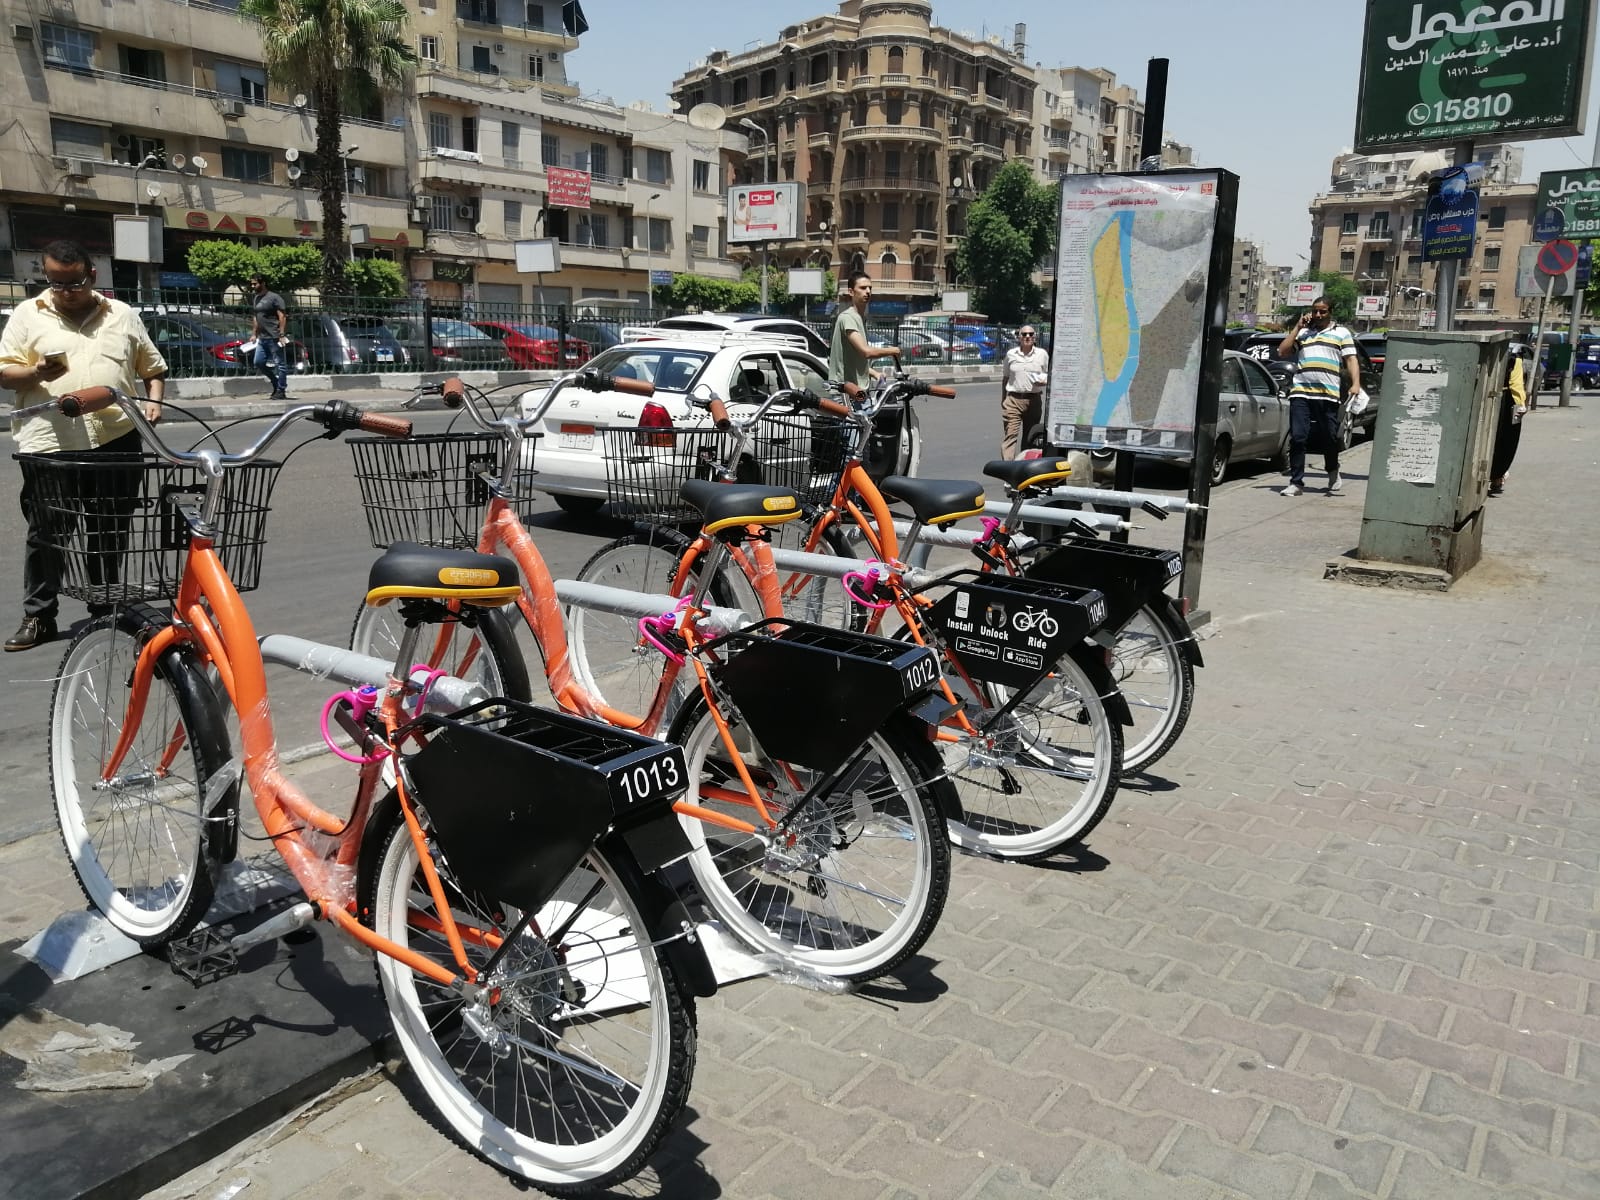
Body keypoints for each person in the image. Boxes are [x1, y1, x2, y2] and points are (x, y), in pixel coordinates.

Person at [0, 239, 167, 651]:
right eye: (56, 283)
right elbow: (5, 374)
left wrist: (154, 402)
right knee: (48, 531)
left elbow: (153, 368)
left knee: (110, 526)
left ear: (92, 275)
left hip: (116, 435)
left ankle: (105, 605)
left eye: (73, 283)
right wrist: (36, 372)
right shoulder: (27, 315)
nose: (65, 292)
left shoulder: (122, 315)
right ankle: (39, 616)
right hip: (50, 441)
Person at [1276, 301, 1365, 497]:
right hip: (1301, 392)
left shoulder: (1341, 333)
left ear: (1330, 312)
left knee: (1329, 437)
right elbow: (1282, 351)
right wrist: (1297, 327)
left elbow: (1351, 359)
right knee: (1298, 437)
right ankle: (1296, 482)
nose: (1318, 315)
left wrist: (1355, 384)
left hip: (1328, 394)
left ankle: (1332, 469)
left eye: (1322, 311)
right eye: (1315, 311)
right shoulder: (1304, 333)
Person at [828, 271, 899, 391]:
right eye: (862, 288)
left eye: (870, 288)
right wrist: (893, 350)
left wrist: (875, 374)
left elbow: (855, 362)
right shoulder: (848, 317)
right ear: (851, 292)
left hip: (857, 391)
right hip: (846, 393)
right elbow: (866, 352)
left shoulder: (860, 318)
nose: (868, 291)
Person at [999, 325, 1050, 459]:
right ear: (1019, 337)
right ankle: (1008, 468)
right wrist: (1003, 399)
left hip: (1033, 400)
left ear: (1035, 337)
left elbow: (1049, 375)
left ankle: (1023, 465)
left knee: (1029, 437)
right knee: (1010, 434)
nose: (1027, 337)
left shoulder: (1042, 355)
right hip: (1013, 400)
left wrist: (1044, 381)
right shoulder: (1011, 354)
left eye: (1030, 334)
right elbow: (1005, 378)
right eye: (1024, 334)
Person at [1489, 343, 1530, 496]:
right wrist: (1521, 404)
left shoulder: (1488, 355)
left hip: (1486, 399)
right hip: (1506, 404)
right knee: (1506, 441)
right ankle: (1497, 477)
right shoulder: (1514, 360)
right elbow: (1516, 385)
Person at [249, 273, 289, 401]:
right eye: (251, 284)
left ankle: (281, 390)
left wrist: (281, 334)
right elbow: (256, 317)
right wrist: (254, 333)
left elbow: (282, 316)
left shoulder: (274, 298)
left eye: (255, 284)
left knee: (280, 364)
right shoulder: (256, 298)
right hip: (262, 338)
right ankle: (275, 383)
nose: (252, 286)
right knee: (258, 362)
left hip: (274, 337)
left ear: (263, 283)